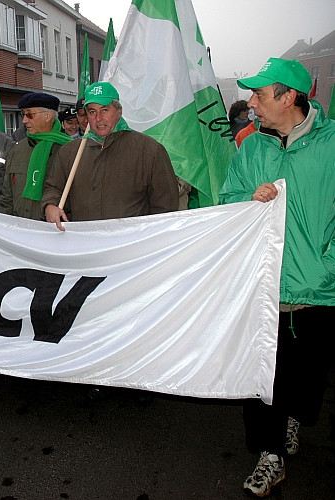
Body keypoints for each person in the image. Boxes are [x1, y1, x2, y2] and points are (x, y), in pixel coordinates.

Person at [219, 57, 335, 498]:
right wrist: (250, 199)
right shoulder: (251, 147)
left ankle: (292, 420)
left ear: (290, 97)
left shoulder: (332, 143)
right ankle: (270, 455)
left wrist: (327, 267)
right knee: (260, 380)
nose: (251, 104)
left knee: (305, 380)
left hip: (317, 293)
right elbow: (227, 202)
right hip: (262, 289)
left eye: (260, 95)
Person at [42, 81, 179, 230]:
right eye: (92, 112)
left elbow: (166, 209)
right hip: (84, 246)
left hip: (130, 247)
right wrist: (50, 205)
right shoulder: (69, 153)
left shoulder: (149, 151)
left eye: (105, 110)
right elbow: (53, 188)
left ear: (119, 112)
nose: (98, 118)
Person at [0, 92, 72, 220]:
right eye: (23, 114)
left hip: (53, 230)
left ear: (48, 116)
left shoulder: (69, 150)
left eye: (30, 114)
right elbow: (7, 196)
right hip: (20, 229)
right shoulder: (18, 149)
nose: (24, 120)